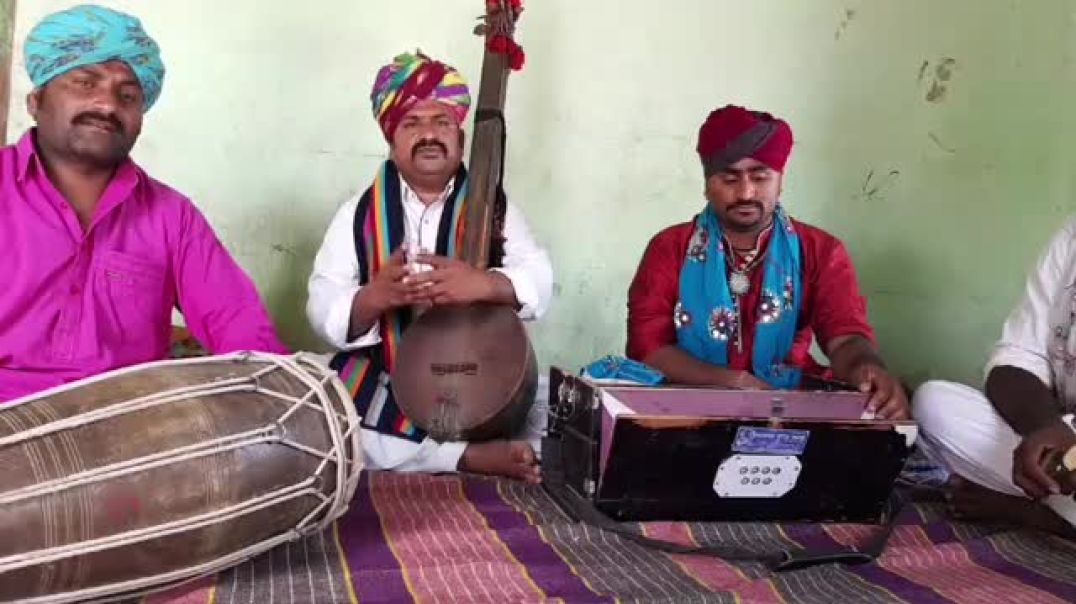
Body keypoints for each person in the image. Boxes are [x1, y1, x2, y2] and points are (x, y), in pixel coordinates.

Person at [0, 5, 287, 403]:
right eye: (84, 82)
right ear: (35, 101)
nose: (106, 104)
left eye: (128, 95)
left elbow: (237, 323)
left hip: (130, 432)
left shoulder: (172, 216)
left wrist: (279, 396)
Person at [306, 51, 553, 482]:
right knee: (319, 404)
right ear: (391, 139)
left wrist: (485, 284)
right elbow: (322, 303)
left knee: (555, 403)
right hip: (390, 370)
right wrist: (372, 298)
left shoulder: (495, 208)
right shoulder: (358, 214)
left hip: (479, 374)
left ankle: (459, 447)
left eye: (441, 122)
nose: (429, 135)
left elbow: (539, 278)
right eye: (411, 123)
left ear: (459, 135)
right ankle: (466, 457)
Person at [626, 104, 908, 419]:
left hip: (788, 408)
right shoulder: (669, 248)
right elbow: (647, 348)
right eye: (729, 179)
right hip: (685, 412)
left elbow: (845, 336)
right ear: (707, 184)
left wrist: (865, 367)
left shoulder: (820, 250)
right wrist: (731, 382)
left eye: (760, 177)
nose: (746, 192)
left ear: (780, 180)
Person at [913, 220, 1076, 537]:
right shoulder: (1071, 238)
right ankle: (1052, 499)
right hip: (1064, 443)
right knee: (934, 404)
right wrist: (1045, 429)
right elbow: (1016, 360)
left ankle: (1041, 515)